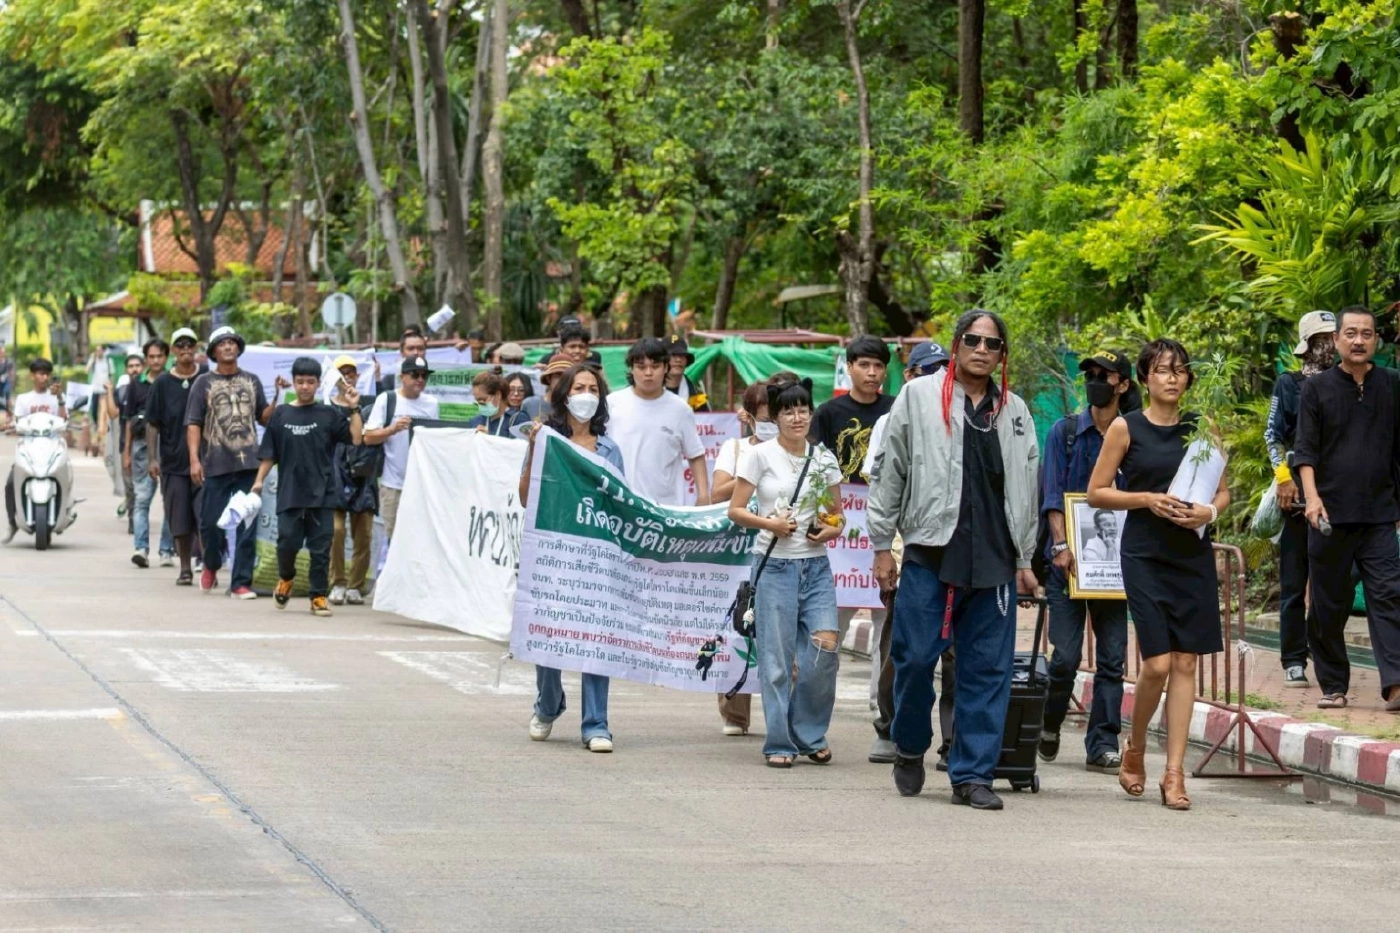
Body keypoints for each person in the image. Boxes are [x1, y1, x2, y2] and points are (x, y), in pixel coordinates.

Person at [868, 309, 1040, 810]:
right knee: (916, 659)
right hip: (931, 549)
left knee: (987, 670)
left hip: (994, 557)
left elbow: (1027, 486)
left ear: (1002, 354)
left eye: (993, 343)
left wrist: (1026, 557)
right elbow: (890, 470)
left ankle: (972, 774)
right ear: (956, 343)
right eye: (973, 339)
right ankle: (910, 743)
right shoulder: (919, 397)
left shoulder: (1015, 410)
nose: (982, 349)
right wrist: (882, 546)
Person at [1088, 339, 1228, 811]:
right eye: (1163, 370)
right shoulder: (1127, 428)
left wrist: (1206, 511)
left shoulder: (1201, 427)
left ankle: (1174, 774)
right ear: (1145, 378)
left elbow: (1223, 494)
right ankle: (1136, 744)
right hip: (1144, 553)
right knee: (1159, 663)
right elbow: (1097, 493)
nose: (1172, 378)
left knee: (1187, 662)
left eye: (1180, 371)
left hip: (1191, 554)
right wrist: (1146, 499)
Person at [727, 377, 846, 768]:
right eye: (788, 411)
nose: (797, 417)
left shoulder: (824, 458)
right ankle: (779, 740)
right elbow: (736, 510)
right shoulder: (758, 457)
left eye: (803, 409)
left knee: (825, 648)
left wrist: (832, 528)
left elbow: (836, 514)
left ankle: (808, 731)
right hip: (774, 566)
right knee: (777, 661)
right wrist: (771, 525)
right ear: (775, 417)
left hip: (815, 566)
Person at [1294, 305, 1400, 713]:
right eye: (1351, 333)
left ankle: (1394, 683)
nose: (1359, 340)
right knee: (1328, 603)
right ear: (1337, 339)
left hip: (1378, 515)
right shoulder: (1316, 389)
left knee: (1389, 595)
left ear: (1376, 340)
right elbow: (1306, 450)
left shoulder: (1391, 385)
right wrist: (1313, 497)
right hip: (1329, 516)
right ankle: (1334, 684)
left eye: (1367, 334)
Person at [1037, 350, 1133, 776]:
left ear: (1124, 385)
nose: (1095, 381)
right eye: (1091, 374)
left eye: (1105, 375)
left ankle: (1103, 744)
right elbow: (1053, 494)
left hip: (1116, 567)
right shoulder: (1065, 433)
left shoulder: (1135, 434)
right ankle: (1049, 721)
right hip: (1068, 564)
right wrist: (1060, 546)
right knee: (1065, 657)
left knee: (1113, 659)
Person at [520, 362, 623, 752]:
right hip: (552, 553)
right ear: (564, 395)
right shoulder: (546, 439)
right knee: (548, 634)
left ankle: (596, 723)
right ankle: (548, 704)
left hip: (595, 555)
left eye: (593, 389)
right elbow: (527, 498)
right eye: (579, 387)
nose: (586, 395)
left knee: (595, 638)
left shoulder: (611, 449)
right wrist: (533, 451)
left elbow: (621, 503)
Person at [861, 341, 954, 768]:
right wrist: (886, 550)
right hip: (910, 550)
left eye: (943, 368)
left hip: (960, 553)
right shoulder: (892, 420)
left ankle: (954, 739)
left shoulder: (969, 413)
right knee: (905, 648)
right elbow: (884, 488)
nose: (937, 377)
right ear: (911, 375)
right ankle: (891, 727)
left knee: (957, 653)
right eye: (928, 370)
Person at [812, 335, 894, 736]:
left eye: (879, 366)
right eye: (864, 365)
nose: (872, 373)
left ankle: (883, 704)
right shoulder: (828, 413)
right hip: (841, 538)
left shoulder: (896, 410)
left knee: (887, 623)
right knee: (833, 621)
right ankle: (815, 702)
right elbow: (815, 470)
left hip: (884, 531)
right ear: (849, 367)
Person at [253, 357, 363, 618]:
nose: (305, 387)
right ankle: (286, 578)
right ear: (293, 381)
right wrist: (258, 480)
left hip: (323, 493)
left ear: (317, 384)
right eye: (300, 382)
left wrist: (354, 408)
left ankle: (318, 597)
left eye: (310, 382)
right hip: (290, 493)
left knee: (320, 549)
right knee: (287, 545)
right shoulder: (281, 414)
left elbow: (357, 439)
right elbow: (270, 453)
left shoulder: (328, 414)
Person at [1264, 310, 1337, 689]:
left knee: (1338, 580)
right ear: (1308, 344)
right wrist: (1282, 479)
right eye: (1323, 337)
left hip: (1338, 496)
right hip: (1295, 496)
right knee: (1294, 582)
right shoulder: (1288, 384)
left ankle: (1321, 647)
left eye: (1333, 336)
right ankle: (1293, 657)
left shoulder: (1346, 383)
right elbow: (1271, 435)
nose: (1331, 344)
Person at [185, 326, 280, 598]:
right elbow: (193, 423)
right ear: (214, 351)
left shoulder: (252, 380)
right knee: (210, 523)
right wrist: (194, 460)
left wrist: (275, 397)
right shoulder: (202, 383)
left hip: (249, 463)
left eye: (232, 342)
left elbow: (264, 418)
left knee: (247, 525)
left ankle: (240, 582)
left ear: (239, 348)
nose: (228, 347)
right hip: (215, 462)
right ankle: (212, 565)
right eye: (221, 343)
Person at [709, 379, 780, 736]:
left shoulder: (795, 449)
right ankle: (735, 713)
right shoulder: (735, 448)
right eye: (764, 418)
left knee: (781, 629)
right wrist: (751, 471)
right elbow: (717, 492)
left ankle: (782, 714)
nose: (771, 425)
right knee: (738, 627)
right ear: (749, 418)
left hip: (780, 549)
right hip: (738, 551)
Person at [606, 338, 708, 506]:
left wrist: (703, 496)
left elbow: (695, 454)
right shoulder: (612, 404)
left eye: (655, 366)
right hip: (619, 504)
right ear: (631, 369)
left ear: (666, 368)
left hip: (666, 509)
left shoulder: (680, 409)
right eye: (641, 367)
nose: (648, 373)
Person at [145, 328, 207, 584]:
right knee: (178, 517)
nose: (185, 349)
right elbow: (152, 423)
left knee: (205, 515)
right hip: (173, 461)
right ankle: (185, 568)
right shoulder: (162, 383)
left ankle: (207, 563)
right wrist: (152, 458)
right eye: (180, 345)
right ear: (173, 350)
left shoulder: (206, 377)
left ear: (196, 348)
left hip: (205, 460)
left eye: (189, 344)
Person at [363, 355, 441, 542]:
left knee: (419, 540)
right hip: (393, 485)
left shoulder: (432, 404)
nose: (420, 380)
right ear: (402, 377)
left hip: (421, 485)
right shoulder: (387, 400)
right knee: (394, 539)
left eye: (424, 375)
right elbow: (368, 438)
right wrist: (392, 429)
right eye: (415, 375)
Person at [328, 356, 378, 606]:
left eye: (351, 372)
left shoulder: (368, 405)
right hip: (334, 476)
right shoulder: (326, 408)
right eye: (342, 372)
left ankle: (355, 586)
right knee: (336, 531)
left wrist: (354, 407)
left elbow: (363, 438)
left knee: (364, 534)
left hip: (363, 476)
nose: (347, 376)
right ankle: (336, 582)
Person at [124, 340, 175, 569]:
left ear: (166, 357)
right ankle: (141, 549)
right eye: (151, 357)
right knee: (142, 500)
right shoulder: (136, 384)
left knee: (171, 502)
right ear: (146, 359)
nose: (155, 361)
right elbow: (127, 419)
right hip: (142, 448)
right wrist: (126, 451)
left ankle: (166, 550)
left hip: (170, 447)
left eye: (159, 356)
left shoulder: (173, 381)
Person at [5, 357, 67, 542]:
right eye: (40, 373)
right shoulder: (24, 399)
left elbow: (64, 421)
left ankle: (66, 507)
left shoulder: (56, 398)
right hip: (30, 447)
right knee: (10, 483)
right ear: (33, 375)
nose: (44, 377)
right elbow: (18, 423)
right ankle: (12, 523)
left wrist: (60, 398)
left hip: (52, 445)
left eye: (47, 373)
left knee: (66, 473)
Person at [467, 371, 531, 436]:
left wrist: (488, 439)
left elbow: (521, 445)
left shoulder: (518, 419)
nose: (480, 404)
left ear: (498, 395)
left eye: (483, 400)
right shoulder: (476, 421)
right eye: (477, 401)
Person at [377, 327, 428, 395]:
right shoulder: (391, 379)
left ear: (425, 351)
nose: (416, 352)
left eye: (420, 348)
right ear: (402, 352)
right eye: (410, 348)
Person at [664, 335, 709, 411]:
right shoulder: (647, 391)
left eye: (682, 355)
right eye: (673, 355)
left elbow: (706, 420)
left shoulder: (697, 395)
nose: (678, 360)